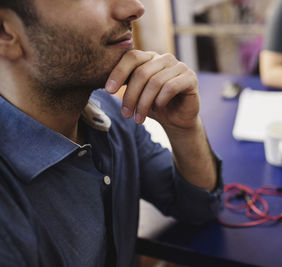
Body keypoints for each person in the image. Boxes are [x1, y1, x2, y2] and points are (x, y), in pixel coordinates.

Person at [0, 0, 223, 266]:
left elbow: (198, 207)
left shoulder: (109, 112)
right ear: (5, 32)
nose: (135, 8)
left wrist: (184, 129)